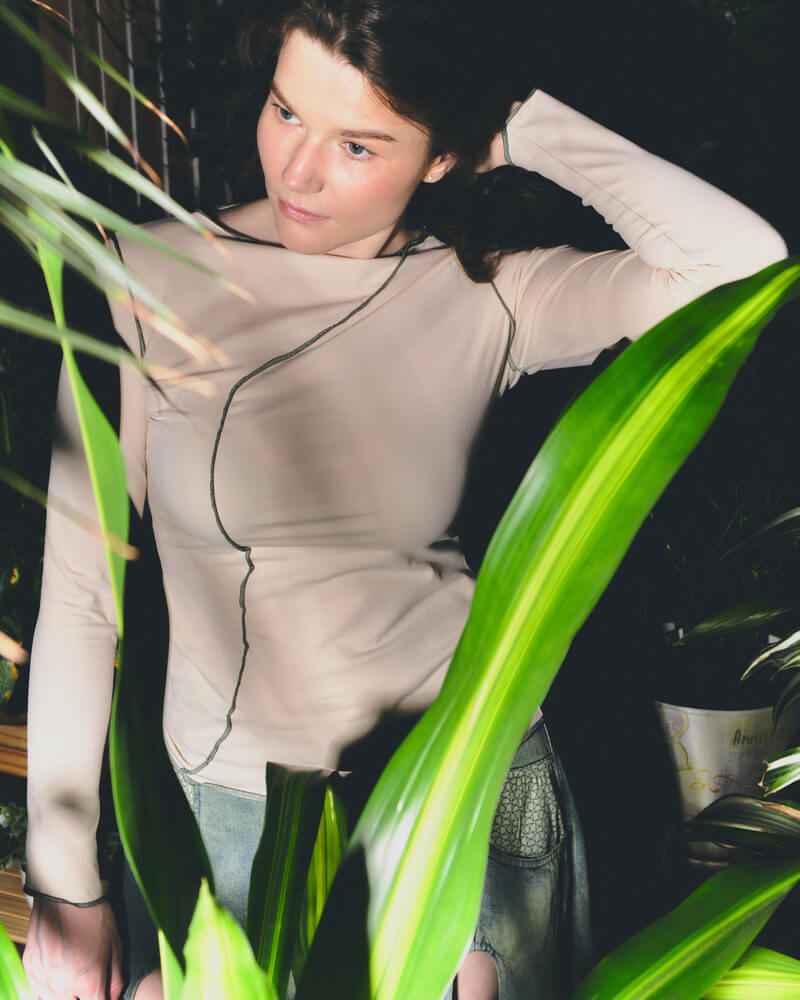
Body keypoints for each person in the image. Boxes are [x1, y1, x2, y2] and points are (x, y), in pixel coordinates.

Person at [21, 0, 787, 998]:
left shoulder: (491, 290)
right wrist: (64, 879)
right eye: (285, 112)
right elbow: (81, 595)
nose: (297, 171)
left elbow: (739, 267)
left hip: (461, 792)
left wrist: (519, 128)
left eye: (357, 144)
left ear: (442, 156)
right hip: (230, 809)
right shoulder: (144, 279)